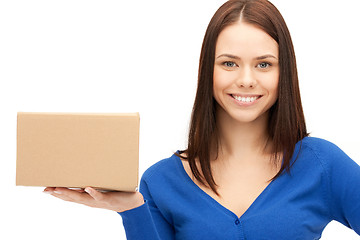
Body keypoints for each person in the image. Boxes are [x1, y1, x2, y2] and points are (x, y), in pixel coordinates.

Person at [44, 0, 360, 239]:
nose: (247, 80)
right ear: (207, 70)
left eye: (264, 64)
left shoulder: (322, 164)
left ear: (284, 72)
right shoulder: (161, 181)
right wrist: (130, 209)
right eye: (229, 63)